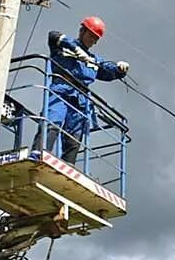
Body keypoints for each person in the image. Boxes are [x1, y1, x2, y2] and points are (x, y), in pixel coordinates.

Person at [39, 16, 129, 165]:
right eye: (91, 36)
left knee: (74, 136)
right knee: (52, 121)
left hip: (80, 100)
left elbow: (107, 71)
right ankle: (40, 153)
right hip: (61, 91)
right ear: (82, 31)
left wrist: (120, 70)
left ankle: (69, 165)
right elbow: (53, 35)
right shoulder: (64, 46)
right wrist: (76, 49)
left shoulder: (94, 60)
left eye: (96, 39)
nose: (93, 41)